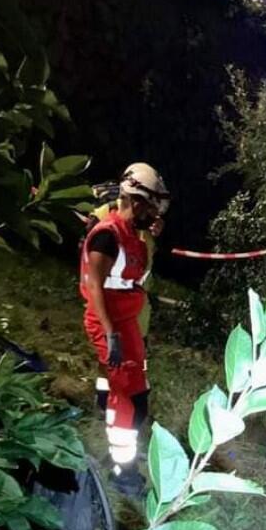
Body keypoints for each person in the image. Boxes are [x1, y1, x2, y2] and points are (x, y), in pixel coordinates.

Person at [79, 163, 170, 496]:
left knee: (139, 396)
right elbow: (94, 286)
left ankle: (125, 450)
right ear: (135, 199)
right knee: (125, 399)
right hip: (110, 323)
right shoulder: (107, 235)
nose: (155, 215)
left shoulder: (134, 235)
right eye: (151, 207)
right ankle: (124, 470)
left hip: (128, 321)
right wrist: (109, 332)